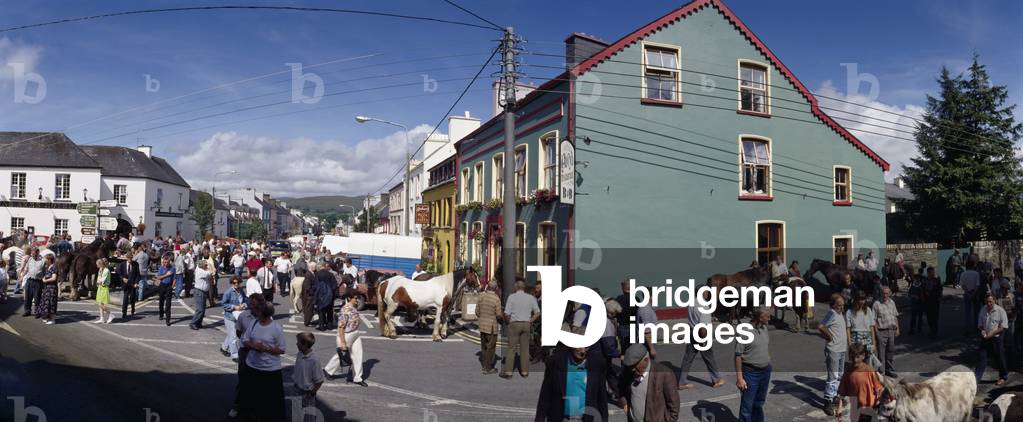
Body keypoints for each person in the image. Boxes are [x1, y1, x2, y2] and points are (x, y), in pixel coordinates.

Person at [535, 345, 609, 422]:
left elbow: (602, 396)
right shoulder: (555, 362)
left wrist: (604, 418)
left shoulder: (597, 364)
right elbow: (545, 394)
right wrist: (539, 418)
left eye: (586, 347)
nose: (583, 351)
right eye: (579, 346)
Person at [240, 303, 286, 421]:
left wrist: (266, 349)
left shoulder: (276, 328)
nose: (256, 313)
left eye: (258, 311)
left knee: (269, 400)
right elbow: (244, 339)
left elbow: (281, 349)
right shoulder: (254, 323)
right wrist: (253, 345)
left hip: (270, 370)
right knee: (253, 396)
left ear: (264, 314)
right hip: (253, 366)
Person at [618, 343, 679, 422]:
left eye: (635, 365)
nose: (632, 369)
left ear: (646, 360)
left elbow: (673, 405)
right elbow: (621, 388)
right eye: (630, 366)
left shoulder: (664, 374)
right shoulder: (629, 371)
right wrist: (625, 403)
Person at [679, 290, 726, 390]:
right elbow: (703, 326)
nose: (708, 293)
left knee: (688, 358)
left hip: (692, 331)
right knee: (709, 358)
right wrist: (703, 339)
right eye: (706, 292)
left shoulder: (692, 302)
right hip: (701, 334)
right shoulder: (703, 305)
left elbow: (693, 318)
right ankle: (717, 380)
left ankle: (681, 382)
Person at [324, 289, 368, 386]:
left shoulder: (353, 306)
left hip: (355, 333)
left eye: (358, 298)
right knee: (342, 354)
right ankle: (328, 370)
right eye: (355, 298)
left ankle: (357, 377)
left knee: (358, 355)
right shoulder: (345, 310)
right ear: (349, 298)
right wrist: (343, 342)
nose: (357, 300)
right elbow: (341, 328)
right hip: (346, 334)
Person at [735, 307, 771, 422]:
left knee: (759, 403)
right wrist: (740, 378)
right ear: (760, 318)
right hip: (751, 373)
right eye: (767, 317)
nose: (769, 319)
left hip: (765, 371)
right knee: (747, 407)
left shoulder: (764, 328)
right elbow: (737, 356)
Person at [501, 278, 540, 379]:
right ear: (524, 287)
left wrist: (509, 322)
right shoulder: (530, 298)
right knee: (525, 349)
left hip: (515, 324)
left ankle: (509, 372)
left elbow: (506, 313)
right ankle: (525, 372)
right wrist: (530, 320)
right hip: (526, 324)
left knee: (511, 348)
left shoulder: (512, 297)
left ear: (516, 287)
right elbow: (538, 312)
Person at [836, 343, 884, 422]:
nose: (855, 360)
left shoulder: (869, 371)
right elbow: (842, 392)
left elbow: (879, 389)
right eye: (852, 357)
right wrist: (840, 408)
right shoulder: (848, 372)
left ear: (863, 356)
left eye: (857, 357)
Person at [819, 294, 847, 416]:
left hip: (841, 350)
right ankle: (827, 402)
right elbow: (821, 326)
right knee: (833, 377)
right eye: (839, 304)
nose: (842, 307)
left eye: (842, 304)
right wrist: (829, 336)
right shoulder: (831, 313)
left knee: (839, 375)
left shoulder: (839, 313)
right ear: (833, 304)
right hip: (834, 350)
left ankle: (835, 396)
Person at [976, 293, 1009, 386]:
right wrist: (982, 331)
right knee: (981, 358)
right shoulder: (983, 309)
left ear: (995, 301)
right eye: (987, 302)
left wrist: (993, 333)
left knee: (999, 358)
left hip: (996, 337)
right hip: (985, 337)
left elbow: (1004, 327)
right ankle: (977, 378)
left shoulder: (1000, 311)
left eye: (990, 301)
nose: (989, 304)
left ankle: (1003, 376)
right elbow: (980, 324)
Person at [293, 332, 325, 422]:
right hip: (297, 389)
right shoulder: (299, 354)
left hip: (307, 393)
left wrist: (311, 393)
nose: (296, 344)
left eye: (298, 342)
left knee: (309, 417)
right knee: (296, 417)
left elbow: (319, 380)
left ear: (305, 345)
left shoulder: (314, 360)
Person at [845, 293, 881, 370]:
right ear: (855, 300)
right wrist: (850, 343)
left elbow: (871, 327)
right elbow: (848, 329)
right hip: (855, 337)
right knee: (857, 359)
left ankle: (868, 378)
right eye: (860, 299)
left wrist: (874, 343)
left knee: (869, 359)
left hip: (867, 338)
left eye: (863, 299)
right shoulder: (849, 312)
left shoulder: (868, 310)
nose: (861, 301)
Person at [475, 282, 503, 374]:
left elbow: (477, 312)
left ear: (488, 287)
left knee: (484, 347)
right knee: (491, 348)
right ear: (495, 288)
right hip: (491, 327)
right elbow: (498, 315)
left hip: (482, 326)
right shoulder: (496, 299)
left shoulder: (481, 297)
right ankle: (488, 368)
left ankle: (484, 365)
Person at [872, 286, 899, 377]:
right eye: (883, 293)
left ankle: (889, 370)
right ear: (881, 293)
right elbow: (873, 320)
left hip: (891, 330)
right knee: (881, 353)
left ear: (889, 294)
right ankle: (881, 372)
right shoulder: (876, 304)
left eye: (887, 293)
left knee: (890, 351)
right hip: (881, 331)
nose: (885, 295)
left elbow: (895, 316)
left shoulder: (892, 302)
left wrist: (897, 329)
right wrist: (876, 333)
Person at [221, 276, 248, 361]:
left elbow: (245, 300)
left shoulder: (241, 290)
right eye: (234, 283)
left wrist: (244, 305)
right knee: (233, 336)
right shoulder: (228, 292)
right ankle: (235, 355)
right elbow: (224, 304)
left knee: (231, 334)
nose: (236, 284)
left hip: (238, 316)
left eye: (238, 283)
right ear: (231, 283)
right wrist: (234, 307)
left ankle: (224, 348)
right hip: (230, 317)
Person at [20, 247, 44, 317]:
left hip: (38, 281)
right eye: (32, 254)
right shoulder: (30, 259)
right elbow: (26, 269)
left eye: (34, 254)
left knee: (37, 298)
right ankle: (27, 311)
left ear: (38, 253)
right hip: (29, 280)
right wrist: (22, 276)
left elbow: (45, 271)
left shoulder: (43, 260)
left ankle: (37, 311)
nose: (33, 255)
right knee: (27, 297)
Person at [961, 258, 982, 336]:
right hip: (975, 293)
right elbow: (977, 285)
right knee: (976, 312)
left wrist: (968, 293)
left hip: (967, 294)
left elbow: (963, 285)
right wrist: (973, 294)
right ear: (973, 266)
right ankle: (977, 328)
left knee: (967, 313)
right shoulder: (976, 274)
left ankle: (967, 330)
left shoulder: (963, 274)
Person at [313, 263, 336, 331]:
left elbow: (315, 285)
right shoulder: (331, 274)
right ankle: (330, 325)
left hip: (321, 295)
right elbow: (334, 285)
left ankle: (322, 326)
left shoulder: (317, 274)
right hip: (329, 295)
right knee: (329, 311)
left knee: (321, 311)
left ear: (320, 267)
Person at [190, 260, 212, 330]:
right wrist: (210, 266)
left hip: (203, 291)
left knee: (203, 309)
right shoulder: (200, 271)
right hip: (199, 291)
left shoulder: (201, 269)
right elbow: (210, 273)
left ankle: (198, 323)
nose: (207, 266)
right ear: (202, 265)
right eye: (205, 265)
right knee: (200, 309)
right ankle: (193, 323)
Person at [37, 255, 59, 324]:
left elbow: (54, 278)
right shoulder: (48, 267)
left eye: (46, 259)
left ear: (49, 260)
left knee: (51, 303)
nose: (45, 261)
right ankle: (47, 317)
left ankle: (52, 320)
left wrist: (46, 281)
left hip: (52, 288)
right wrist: (43, 278)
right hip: (47, 288)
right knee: (47, 303)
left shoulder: (54, 267)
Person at [117, 253, 140, 319]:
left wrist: (136, 283)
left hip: (133, 284)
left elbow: (138, 275)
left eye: (131, 258)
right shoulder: (122, 265)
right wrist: (123, 278)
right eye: (128, 258)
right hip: (125, 284)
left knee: (132, 297)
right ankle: (124, 312)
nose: (130, 260)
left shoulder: (135, 264)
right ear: (126, 258)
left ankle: (133, 309)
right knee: (125, 298)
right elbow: (119, 273)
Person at [922, 267, 942, 339]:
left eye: (933, 272)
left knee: (935, 316)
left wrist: (939, 297)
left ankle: (934, 331)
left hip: (935, 300)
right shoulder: (925, 280)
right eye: (931, 273)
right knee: (929, 316)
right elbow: (923, 289)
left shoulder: (937, 279)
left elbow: (940, 289)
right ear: (928, 273)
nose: (933, 274)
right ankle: (931, 329)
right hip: (927, 300)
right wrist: (924, 295)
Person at [155, 257, 175, 326]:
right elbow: (158, 277)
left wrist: (172, 286)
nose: (166, 264)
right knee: (161, 301)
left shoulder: (173, 268)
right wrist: (167, 274)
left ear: (169, 262)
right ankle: (161, 314)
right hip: (162, 286)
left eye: (167, 262)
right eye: (164, 262)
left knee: (168, 303)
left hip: (169, 286)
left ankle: (168, 319)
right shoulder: (161, 268)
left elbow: (175, 278)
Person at [94, 258, 113, 324]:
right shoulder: (100, 269)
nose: (96, 266)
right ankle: (102, 318)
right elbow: (98, 279)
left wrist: (99, 281)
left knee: (101, 304)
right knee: (100, 303)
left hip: (104, 288)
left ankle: (110, 314)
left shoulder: (106, 270)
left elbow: (101, 280)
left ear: (101, 264)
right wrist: (98, 281)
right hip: (100, 287)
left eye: (97, 265)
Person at [907, 268, 925, 335]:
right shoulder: (913, 286)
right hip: (914, 304)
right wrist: (912, 296)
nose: (916, 279)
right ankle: (912, 329)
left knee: (920, 317)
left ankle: (919, 328)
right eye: (915, 278)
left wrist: (920, 297)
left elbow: (923, 295)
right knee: (913, 317)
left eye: (917, 278)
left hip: (920, 304)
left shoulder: (922, 286)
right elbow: (909, 294)